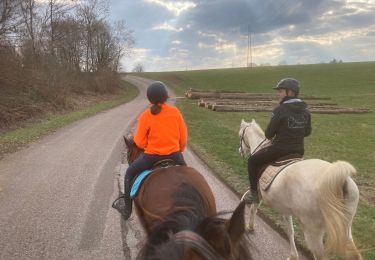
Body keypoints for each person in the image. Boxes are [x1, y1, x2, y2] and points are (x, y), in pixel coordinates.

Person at [112, 81, 188, 220]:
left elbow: (139, 142)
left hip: (152, 157)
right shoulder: (175, 112)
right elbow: (183, 138)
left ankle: (127, 209)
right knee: (189, 177)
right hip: (175, 156)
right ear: (166, 96)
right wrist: (179, 150)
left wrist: (150, 143)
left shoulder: (146, 116)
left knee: (129, 172)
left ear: (149, 98)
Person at [244, 78, 312, 204]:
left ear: (289, 92)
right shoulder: (306, 111)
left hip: (280, 150)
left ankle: (254, 194)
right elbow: (307, 132)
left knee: (252, 161)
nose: (278, 94)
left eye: (280, 91)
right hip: (299, 151)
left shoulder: (280, 110)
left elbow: (269, 135)